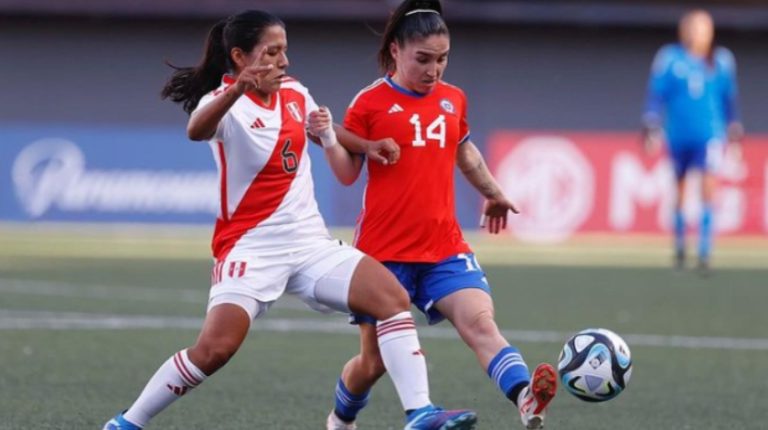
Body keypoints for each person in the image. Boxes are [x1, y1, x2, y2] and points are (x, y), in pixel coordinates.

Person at [102, 10, 477, 430]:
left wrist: (366, 144)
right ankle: (127, 423)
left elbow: (321, 128)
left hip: (309, 243)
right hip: (251, 247)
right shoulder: (224, 104)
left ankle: (420, 412)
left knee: (391, 299)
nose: (283, 61)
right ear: (241, 57)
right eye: (272, 52)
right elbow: (196, 129)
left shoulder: (295, 92)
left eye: (285, 51)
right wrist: (235, 91)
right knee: (214, 350)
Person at [323, 1, 557, 430]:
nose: (435, 70)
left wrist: (494, 192)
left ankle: (525, 396)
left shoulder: (453, 99)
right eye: (423, 59)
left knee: (480, 323)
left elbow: (463, 150)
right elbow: (348, 161)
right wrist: (332, 139)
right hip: (384, 252)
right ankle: (340, 420)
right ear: (395, 51)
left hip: (442, 247)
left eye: (443, 59)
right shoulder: (371, 101)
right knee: (372, 363)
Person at [642, 9, 743, 274]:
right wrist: (651, 123)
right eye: (693, 27)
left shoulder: (721, 61)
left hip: (710, 134)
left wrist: (734, 129)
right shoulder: (670, 58)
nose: (698, 32)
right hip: (678, 134)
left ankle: (705, 251)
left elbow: (728, 99)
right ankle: (679, 248)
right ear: (683, 30)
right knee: (680, 190)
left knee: (709, 188)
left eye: (704, 27)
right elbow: (656, 95)